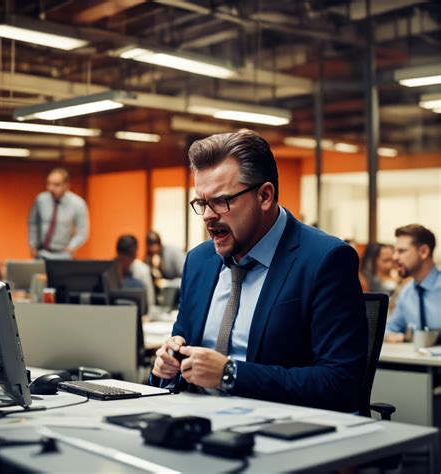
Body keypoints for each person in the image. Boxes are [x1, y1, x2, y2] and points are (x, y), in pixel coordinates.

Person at [151, 130, 367, 412]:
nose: (207, 216)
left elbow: (341, 382)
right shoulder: (199, 261)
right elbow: (179, 357)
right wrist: (166, 367)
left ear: (265, 196)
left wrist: (231, 374)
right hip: (193, 423)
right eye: (202, 203)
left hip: (277, 434)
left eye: (221, 201)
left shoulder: (324, 260)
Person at [385, 225, 440, 342]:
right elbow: (391, 328)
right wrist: (390, 335)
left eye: (401, 251)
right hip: (417, 359)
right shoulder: (407, 292)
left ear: (424, 252)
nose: (394, 257)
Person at [28, 168, 89, 260]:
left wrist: (71, 247)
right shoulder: (41, 200)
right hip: (41, 253)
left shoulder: (78, 204)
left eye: (56, 185)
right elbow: (32, 224)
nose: (51, 188)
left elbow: (82, 231)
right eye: (49, 184)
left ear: (66, 185)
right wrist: (32, 245)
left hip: (63, 254)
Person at [115, 234, 155, 311]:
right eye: (121, 259)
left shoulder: (143, 270)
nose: (124, 262)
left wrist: (147, 316)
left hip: (140, 315)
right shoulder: (109, 270)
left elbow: (150, 303)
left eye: (127, 258)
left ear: (134, 256)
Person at [145, 230, 185, 304]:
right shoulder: (149, 257)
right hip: (163, 299)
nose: (153, 251)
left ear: (159, 244)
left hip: (179, 296)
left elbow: (187, 280)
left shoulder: (173, 253)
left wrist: (167, 283)